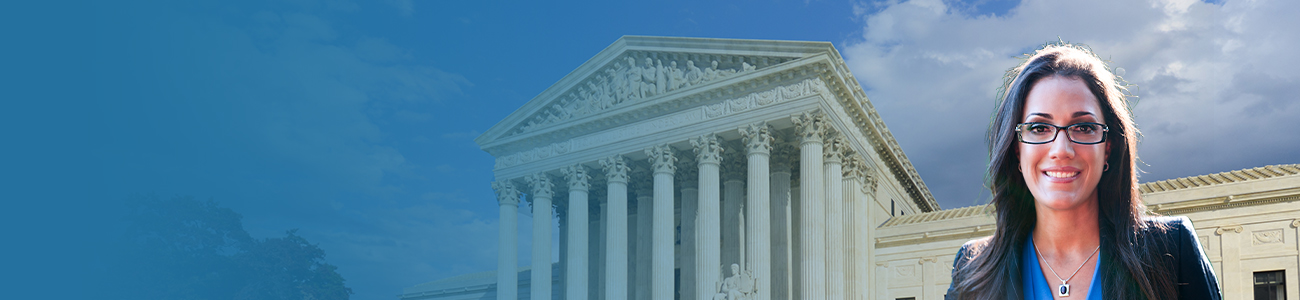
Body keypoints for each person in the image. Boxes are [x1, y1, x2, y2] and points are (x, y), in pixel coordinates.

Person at [944, 43, 1221, 300]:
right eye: (1039, 128)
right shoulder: (972, 269)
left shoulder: (1171, 251)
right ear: (1017, 149)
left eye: (1084, 127)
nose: (1061, 149)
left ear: (1109, 147)